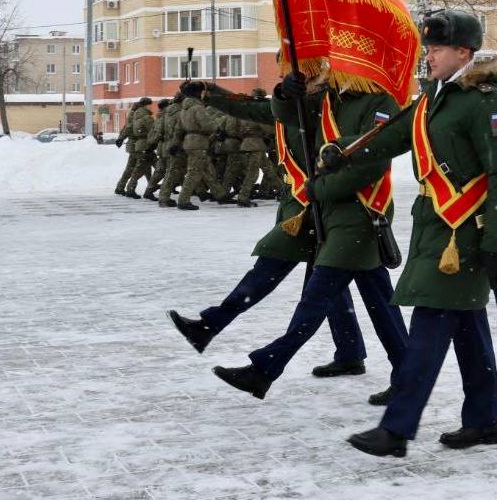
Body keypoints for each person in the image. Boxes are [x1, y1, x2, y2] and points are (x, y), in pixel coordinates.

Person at [321, 9, 497, 458]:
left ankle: (397, 428)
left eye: (436, 49)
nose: (428, 56)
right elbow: (394, 136)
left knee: (429, 326)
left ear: (464, 53)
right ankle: (486, 420)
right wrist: (344, 155)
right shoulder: (436, 98)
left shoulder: (485, 102)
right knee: (466, 325)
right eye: (428, 48)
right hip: (435, 228)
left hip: (463, 236)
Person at [211, 69, 408, 405]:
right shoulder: (332, 100)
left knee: (315, 299)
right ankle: (407, 373)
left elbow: (372, 161)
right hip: (332, 215)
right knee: (379, 302)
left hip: (360, 215)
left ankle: (265, 369)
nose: (334, 69)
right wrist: (287, 93)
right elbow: (289, 115)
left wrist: (319, 187)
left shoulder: (380, 101)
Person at [168, 81, 371, 386]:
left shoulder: (322, 106)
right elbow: (250, 107)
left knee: (272, 271)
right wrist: (210, 92)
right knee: (327, 286)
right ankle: (350, 352)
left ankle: (213, 327)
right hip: (303, 204)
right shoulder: (290, 103)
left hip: (314, 208)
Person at [176, 82, 227, 210]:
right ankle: (183, 200)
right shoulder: (197, 108)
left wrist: (176, 142)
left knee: (207, 170)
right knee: (194, 172)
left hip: (190, 142)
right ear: (198, 93)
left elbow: (178, 128)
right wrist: (218, 129)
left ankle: (220, 195)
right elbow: (206, 124)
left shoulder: (184, 109)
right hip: (198, 142)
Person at [115, 98, 154, 198]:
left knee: (136, 167)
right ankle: (148, 188)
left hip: (134, 143)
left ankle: (121, 187)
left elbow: (126, 127)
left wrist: (121, 138)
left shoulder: (133, 114)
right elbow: (128, 128)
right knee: (141, 167)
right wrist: (121, 138)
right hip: (136, 143)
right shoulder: (137, 115)